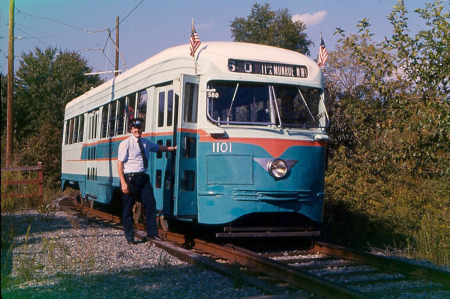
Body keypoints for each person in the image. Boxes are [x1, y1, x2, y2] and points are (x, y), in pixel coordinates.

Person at [117, 118, 176, 244]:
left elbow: (159, 147)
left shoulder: (145, 143)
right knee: (127, 209)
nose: (137, 130)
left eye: (139, 128)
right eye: (135, 128)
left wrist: (172, 148)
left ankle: (152, 234)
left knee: (150, 203)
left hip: (143, 178)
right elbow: (119, 164)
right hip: (130, 179)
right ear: (131, 129)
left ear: (142, 129)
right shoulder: (125, 144)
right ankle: (130, 237)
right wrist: (123, 182)